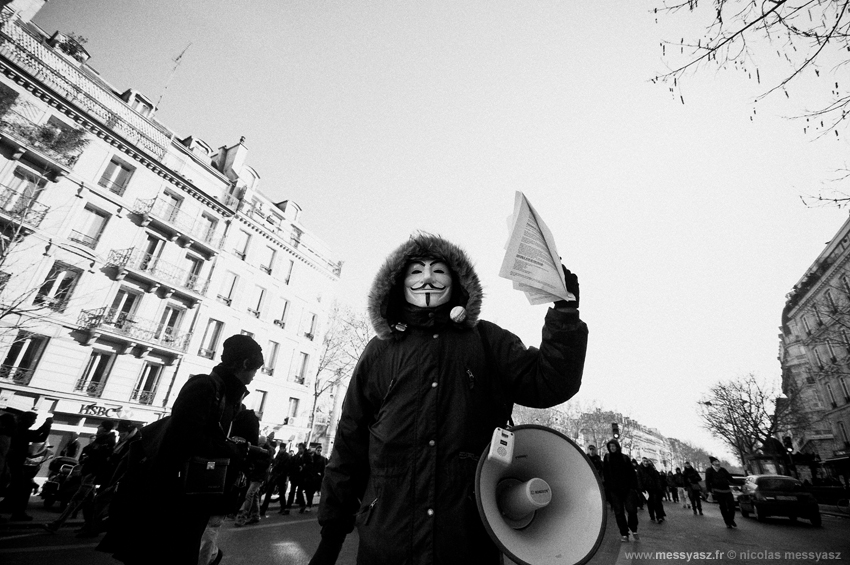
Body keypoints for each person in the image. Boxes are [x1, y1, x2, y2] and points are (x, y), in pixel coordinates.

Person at [311, 233, 588, 565]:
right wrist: (331, 537)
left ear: (457, 282)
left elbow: (549, 383)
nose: (427, 278)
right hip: (387, 546)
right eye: (415, 271)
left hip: (468, 545)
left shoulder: (487, 340)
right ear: (398, 284)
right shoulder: (378, 352)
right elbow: (349, 443)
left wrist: (565, 314)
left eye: (438, 270)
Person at [98, 334, 262, 565]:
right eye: (255, 369)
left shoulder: (225, 394)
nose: (254, 377)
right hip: (172, 498)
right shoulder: (205, 385)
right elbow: (185, 438)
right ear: (245, 363)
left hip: (190, 496)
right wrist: (232, 449)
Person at [45, 420, 116, 533]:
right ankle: (89, 526)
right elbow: (88, 450)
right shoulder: (101, 440)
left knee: (76, 499)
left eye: (100, 426)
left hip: (91, 474)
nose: (98, 427)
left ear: (104, 428)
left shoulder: (107, 441)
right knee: (88, 502)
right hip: (88, 472)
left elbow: (98, 457)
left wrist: (90, 466)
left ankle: (57, 524)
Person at [2, 411, 52, 521]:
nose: (33, 422)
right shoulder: (20, 430)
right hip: (13, 463)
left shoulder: (19, 429)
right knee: (22, 488)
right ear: (26, 420)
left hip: (13, 462)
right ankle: (18, 513)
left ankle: (7, 506)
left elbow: (38, 436)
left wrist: (46, 426)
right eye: (33, 419)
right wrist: (47, 425)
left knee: (15, 487)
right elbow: (39, 436)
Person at [603, 439, 639, 542]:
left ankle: (633, 527)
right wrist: (608, 488)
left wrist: (633, 487)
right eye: (610, 447)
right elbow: (606, 473)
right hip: (614, 490)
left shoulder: (625, 458)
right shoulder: (607, 458)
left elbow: (632, 473)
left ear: (617, 447)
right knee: (619, 513)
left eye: (614, 446)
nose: (612, 448)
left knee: (631, 510)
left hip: (627, 489)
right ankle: (624, 533)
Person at [705, 457, 737, 528]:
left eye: (718, 461)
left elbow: (730, 479)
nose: (717, 463)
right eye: (716, 461)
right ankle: (727, 522)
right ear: (712, 463)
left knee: (732, 506)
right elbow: (707, 481)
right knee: (723, 507)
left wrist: (742, 482)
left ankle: (731, 519)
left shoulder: (723, 470)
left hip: (727, 490)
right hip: (718, 491)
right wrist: (709, 491)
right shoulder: (709, 470)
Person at [282, 442, 307, 515]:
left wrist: (303, 467)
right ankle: (288, 508)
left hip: (302, 477)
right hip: (295, 477)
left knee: (299, 492)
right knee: (292, 492)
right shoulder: (296, 456)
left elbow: (309, 466)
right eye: (299, 448)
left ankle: (302, 505)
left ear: (304, 448)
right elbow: (292, 464)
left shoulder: (307, 456)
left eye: (301, 448)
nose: (299, 450)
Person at [637, 457, 666, 524]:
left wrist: (659, 487)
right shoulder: (640, 470)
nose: (646, 463)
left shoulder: (652, 469)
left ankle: (659, 517)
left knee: (656, 502)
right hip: (646, 489)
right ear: (642, 462)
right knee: (650, 503)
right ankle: (652, 516)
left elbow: (657, 479)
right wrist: (641, 488)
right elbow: (639, 479)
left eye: (647, 461)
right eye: (644, 461)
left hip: (654, 488)